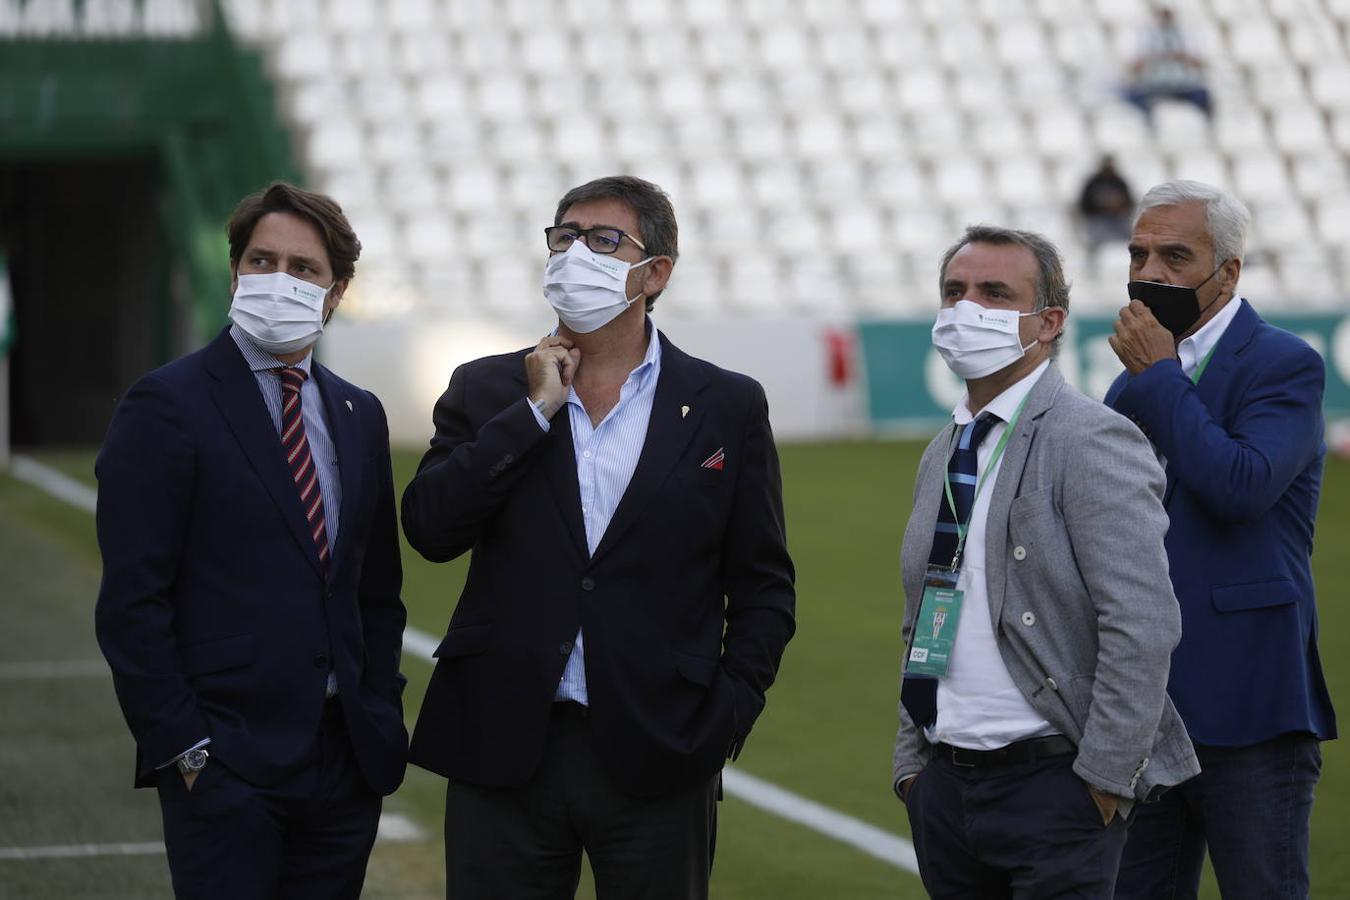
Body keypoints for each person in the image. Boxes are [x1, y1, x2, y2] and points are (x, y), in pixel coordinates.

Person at [402, 174, 796, 899]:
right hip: (500, 740)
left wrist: (725, 716)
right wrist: (530, 414)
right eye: (564, 236)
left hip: (660, 749)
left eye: (603, 239)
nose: (575, 252)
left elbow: (764, 585)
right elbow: (429, 527)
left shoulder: (726, 405)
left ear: (656, 273)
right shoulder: (485, 389)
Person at [94, 182, 408, 899]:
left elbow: (374, 594)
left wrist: (378, 714)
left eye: (303, 269)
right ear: (234, 272)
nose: (278, 281)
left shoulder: (360, 415)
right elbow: (133, 603)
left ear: (336, 294)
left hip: (344, 767)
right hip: (225, 767)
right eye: (262, 261)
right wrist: (189, 752)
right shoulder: (165, 405)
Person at [892, 225, 1199, 898]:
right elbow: (925, 613)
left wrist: (1101, 784)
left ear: (1050, 321)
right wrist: (913, 766)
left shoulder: (1092, 439)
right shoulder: (946, 448)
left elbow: (1142, 622)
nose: (966, 308)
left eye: (995, 293)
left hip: (1055, 791)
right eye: (954, 291)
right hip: (944, 790)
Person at [1106, 180, 1336, 900]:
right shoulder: (1134, 382)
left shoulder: (1283, 363)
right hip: (1144, 704)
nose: (1151, 272)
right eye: (1140, 253)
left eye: (1176, 255)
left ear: (1228, 271)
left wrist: (1163, 376)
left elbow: (1241, 487)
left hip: (1251, 698)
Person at [1124, 6, 1213, 122]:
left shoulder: (1187, 36)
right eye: (1162, 14)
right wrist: (1152, 58)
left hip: (1184, 86)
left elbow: (1202, 64)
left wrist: (1182, 57)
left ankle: (1209, 128)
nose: (1165, 18)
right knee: (1133, 97)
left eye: (1168, 14)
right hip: (1153, 86)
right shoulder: (1146, 36)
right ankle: (1149, 127)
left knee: (1204, 97)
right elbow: (1133, 66)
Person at [1077, 154, 1135, 268]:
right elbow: (1084, 205)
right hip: (1098, 219)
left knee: (1133, 235)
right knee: (1095, 239)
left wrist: (1119, 207)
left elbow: (1130, 203)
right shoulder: (1093, 183)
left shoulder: (1120, 182)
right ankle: (1093, 264)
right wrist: (1102, 206)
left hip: (1118, 220)